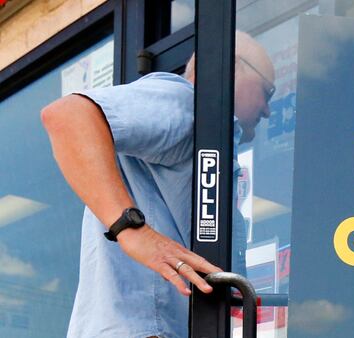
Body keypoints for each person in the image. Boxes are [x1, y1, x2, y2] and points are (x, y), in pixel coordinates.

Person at [40, 31, 275, 338]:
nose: (268, 110)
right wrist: (132, 230)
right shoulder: (190, 104)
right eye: (267, 92)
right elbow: (67, 116)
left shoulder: (206, 137)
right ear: (232, 69)